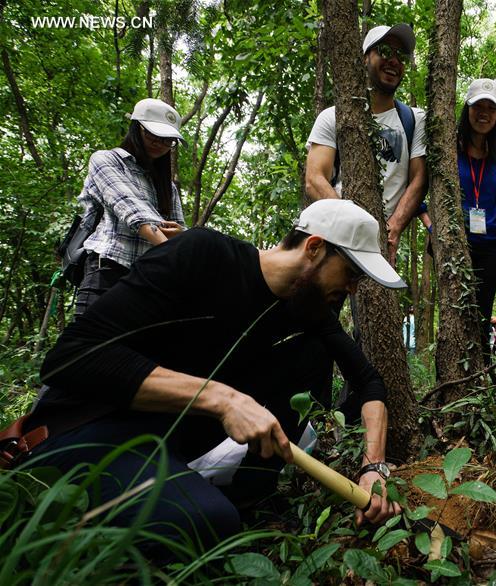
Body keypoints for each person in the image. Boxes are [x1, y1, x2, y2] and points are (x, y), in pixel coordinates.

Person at [22, 199, 404, 559]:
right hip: (85, 429)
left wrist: (374, 467)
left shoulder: (306, 310)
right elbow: (69, 359)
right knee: (206, 522)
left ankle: (248, 499)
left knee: (311, 354)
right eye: (351, 273)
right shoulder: (203, 254)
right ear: (315, 247)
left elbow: (368, 382)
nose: (354, 289)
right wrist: (221, 399)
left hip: (164, 446)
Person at [305, 23, 426, 265]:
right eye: (384, 51)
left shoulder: (415, 119)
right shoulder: (333, 116)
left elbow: (419, 179)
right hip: (331, 234)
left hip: (380, 245)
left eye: (400, 55)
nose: (394, 60)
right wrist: (352, 225)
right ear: (365, 58)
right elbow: (314, 179)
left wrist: (392, 228)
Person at [75, 98, 187, 315]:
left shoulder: (167, 186)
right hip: (108, 271)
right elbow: (132, 209)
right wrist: (170, 252)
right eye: (152, 135)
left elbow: (180, 228)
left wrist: (181, 235)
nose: (159, 144)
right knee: (89, 346)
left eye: (167, 140)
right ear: (136, 128)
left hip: (149, 280)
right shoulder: (106, 160)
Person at [457, 79, 496, 354]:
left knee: (482, 317)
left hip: (489, 249)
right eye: (479, 105)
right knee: (456, 316)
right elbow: (420, 192)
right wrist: (433, 228)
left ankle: (481, 372)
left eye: (492, 108)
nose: (484, 113)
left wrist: (491, 221)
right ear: (467, 109)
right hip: (456, 245)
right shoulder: (449, 152)